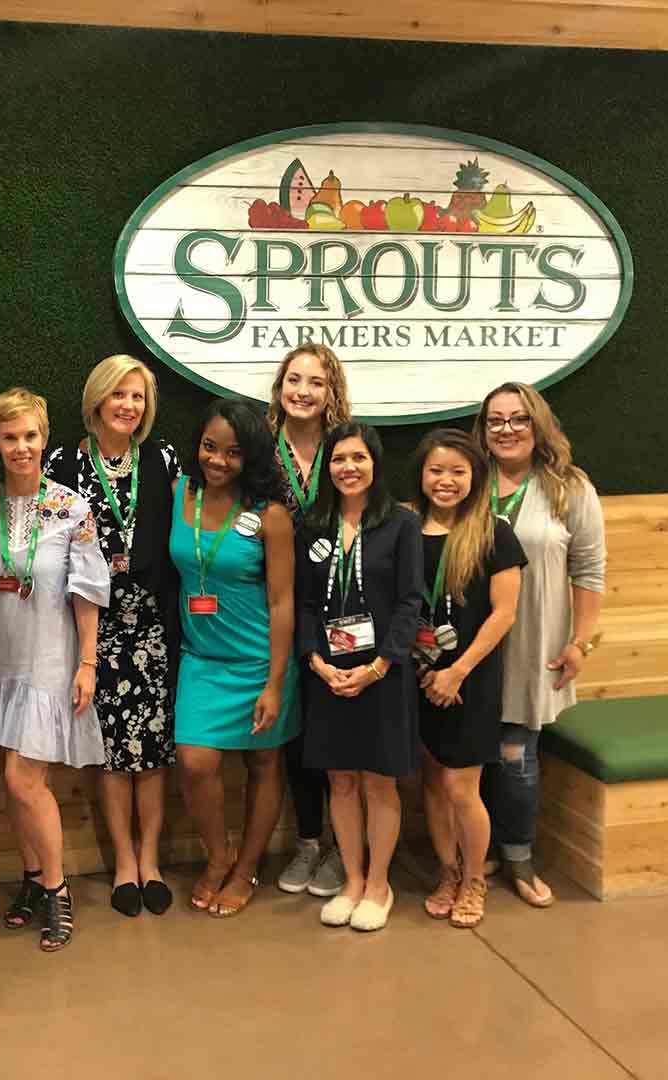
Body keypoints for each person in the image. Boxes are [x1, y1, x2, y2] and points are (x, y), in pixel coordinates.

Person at [0, 387, 111, 951]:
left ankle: (57, 890)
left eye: (30, 436)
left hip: (51, 658)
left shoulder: (73, 508)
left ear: (44, 439)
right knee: (17, 781)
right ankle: (31, 879)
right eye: (10, 437)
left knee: (22, 778)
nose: (21, 447)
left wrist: (88, 662)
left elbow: (88, 589)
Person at [41, 356, 181, 917]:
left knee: (152, 752)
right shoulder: (62, 463)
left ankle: (151, 860)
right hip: (93, 629)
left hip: (154, 625)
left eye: (138, 397)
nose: (128, 406)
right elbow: (44, 537)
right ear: (97, 399)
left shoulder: (162, 457)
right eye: (119, 395)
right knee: (114, 753)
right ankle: (123, 861)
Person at [473, 383, 606, 908]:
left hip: (533, 642)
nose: (506, 429)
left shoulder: (569, 488)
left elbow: (589, 569)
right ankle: (476, 848)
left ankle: (519, 855)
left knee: (515, 756)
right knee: (470, 755)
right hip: (469, 643)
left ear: (538, 425)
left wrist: (581, 641)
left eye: (518, 419)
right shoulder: (467, 481)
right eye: (495, 421)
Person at [170, 398, 299, 918]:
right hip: (201, 657)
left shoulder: (269, 516)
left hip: (259, 661)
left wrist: (273, 682)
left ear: (254, 456)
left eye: (233, 452)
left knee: (265, 760)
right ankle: (218, 854)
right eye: (209, 447)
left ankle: (245, 867)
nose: (217, 461)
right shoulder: (180, 491)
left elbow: (281, 601)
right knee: (195, 760)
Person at [294, 423, 423, 931]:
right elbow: (304, 602)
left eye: (358, 458)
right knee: (340, 781)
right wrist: (314, 660)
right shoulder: (313, 525)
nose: (348, 467)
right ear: (327, 468)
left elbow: (412, 600)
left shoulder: (401, 525)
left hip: (382, 673)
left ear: (375, 463)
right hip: (328, 674)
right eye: (338, 459)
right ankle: (350, 879)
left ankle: (378, 884)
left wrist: (378, 666)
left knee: (378, 782)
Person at [405, 428, 525, 929]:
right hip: (418, 674)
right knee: (432, 781)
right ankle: (449, 871)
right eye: (436, 470)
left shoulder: (494, 532)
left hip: (468, 677)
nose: (446, 481)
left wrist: (456, 671)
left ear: (474, 476)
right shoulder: (405, 527)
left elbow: (504, 614)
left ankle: (475, 879)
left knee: (461, 786)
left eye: (458, 471)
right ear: (421, 475)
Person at [267, 345, 354, 898]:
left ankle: (346, 848)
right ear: (279, 387)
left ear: (331, 391)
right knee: (295, 733)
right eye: (293, 380)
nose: (302, 390)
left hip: (338, 602)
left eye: (315, 382)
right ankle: (306, 841)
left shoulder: (347, 449)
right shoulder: (260, 450)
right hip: (270, 601)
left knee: (337, 724)